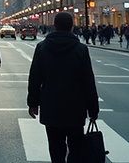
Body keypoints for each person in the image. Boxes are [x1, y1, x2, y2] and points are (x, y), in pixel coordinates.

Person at [27, 12, 99, 163]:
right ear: (72, 27)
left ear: (54, 26)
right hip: (75, 107)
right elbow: (88, 81)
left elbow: (35, 77)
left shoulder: (42, 47)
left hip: (50, 105)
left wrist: (33, 103)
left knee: (55, 147)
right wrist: (93, 109)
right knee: (76, 148)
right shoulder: (81, 49)